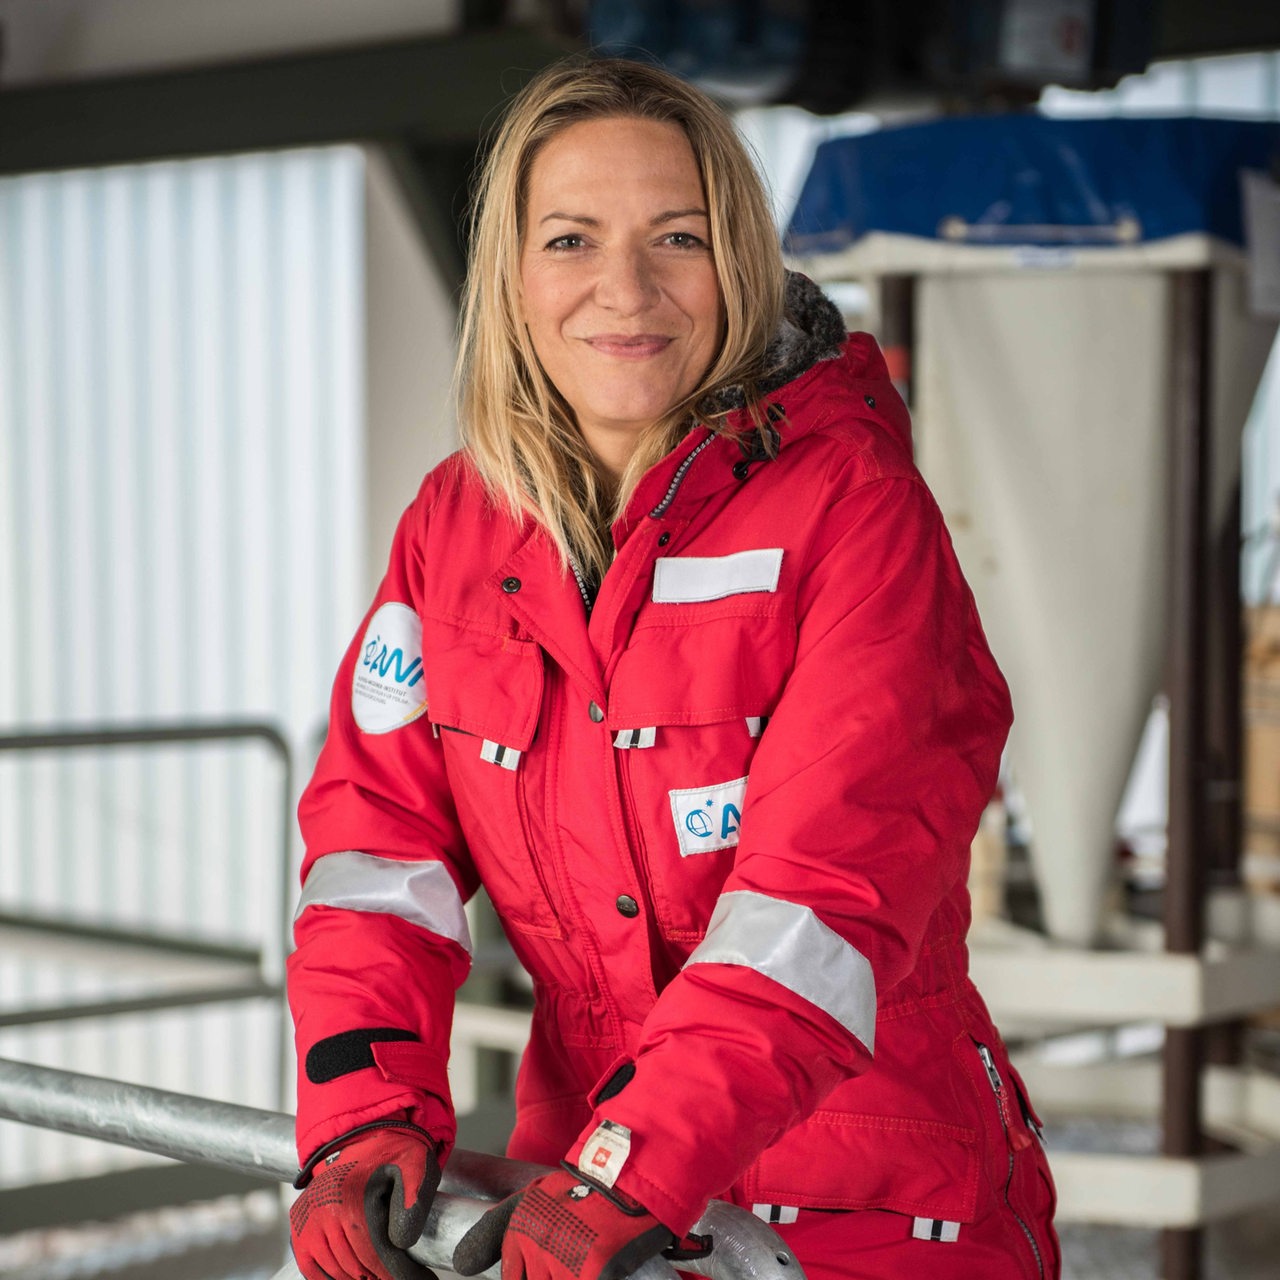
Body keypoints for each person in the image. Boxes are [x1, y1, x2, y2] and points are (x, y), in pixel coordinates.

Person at [286, 54, 1059, 1280]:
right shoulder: (455, 528)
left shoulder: (851, 510)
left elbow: (825, 900)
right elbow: (379, 857)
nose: (623, 289)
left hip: (860, 1203)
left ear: (738, 261)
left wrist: (637, 1158)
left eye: (677, 237)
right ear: (511, 275)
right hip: (580, 1189)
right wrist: (361, 1108)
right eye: (571, 240)